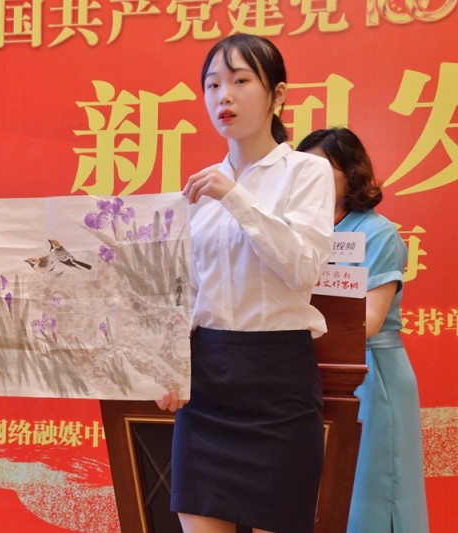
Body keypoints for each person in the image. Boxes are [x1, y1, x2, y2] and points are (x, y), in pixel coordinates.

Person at [157, 34, 335, 533]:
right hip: (206, 382)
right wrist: (167, 363)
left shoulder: (307, 171)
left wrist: (236, 197)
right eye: (213, 85)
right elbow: (186, 293)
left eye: (240, 81)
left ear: (278, 94)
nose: (224, 97)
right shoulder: (200, 187)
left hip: (278, 381)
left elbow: (303, 268)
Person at [297, 127, 429, 533]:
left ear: (351, 173)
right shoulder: (302, 234)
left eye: (322, 170)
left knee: (373, 493)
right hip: (318, 372)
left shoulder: (377, 232)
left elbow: (369, 321)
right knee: (327, 496)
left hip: (371, 374)